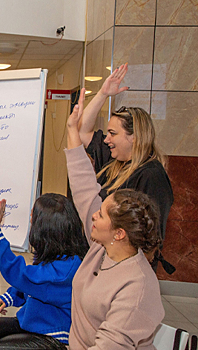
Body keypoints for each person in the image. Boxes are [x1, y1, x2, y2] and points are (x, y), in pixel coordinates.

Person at [66, 89, 164, 349]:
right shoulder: (100, 251)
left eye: (113, 133)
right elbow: (85, 190)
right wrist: (71, 128)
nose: (93, 216)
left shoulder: (134, 286)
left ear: (121, 231)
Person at [78, 63, 174, 272]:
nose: (107, 139)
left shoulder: (152, 175)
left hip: (127, 266)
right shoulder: (113, 160)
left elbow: (152, 234)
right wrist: (103, 93)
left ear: (134, 137)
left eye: (113, 133)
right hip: (102, 257)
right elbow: (82, 131)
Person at [0, 194, 89, 350]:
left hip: (52, 336)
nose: (30, 218)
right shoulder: (61, 254)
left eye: (33, 215)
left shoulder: (65, 271)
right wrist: (12, 296)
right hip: (32, 322)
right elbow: (36, 283)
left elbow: (24, 276)